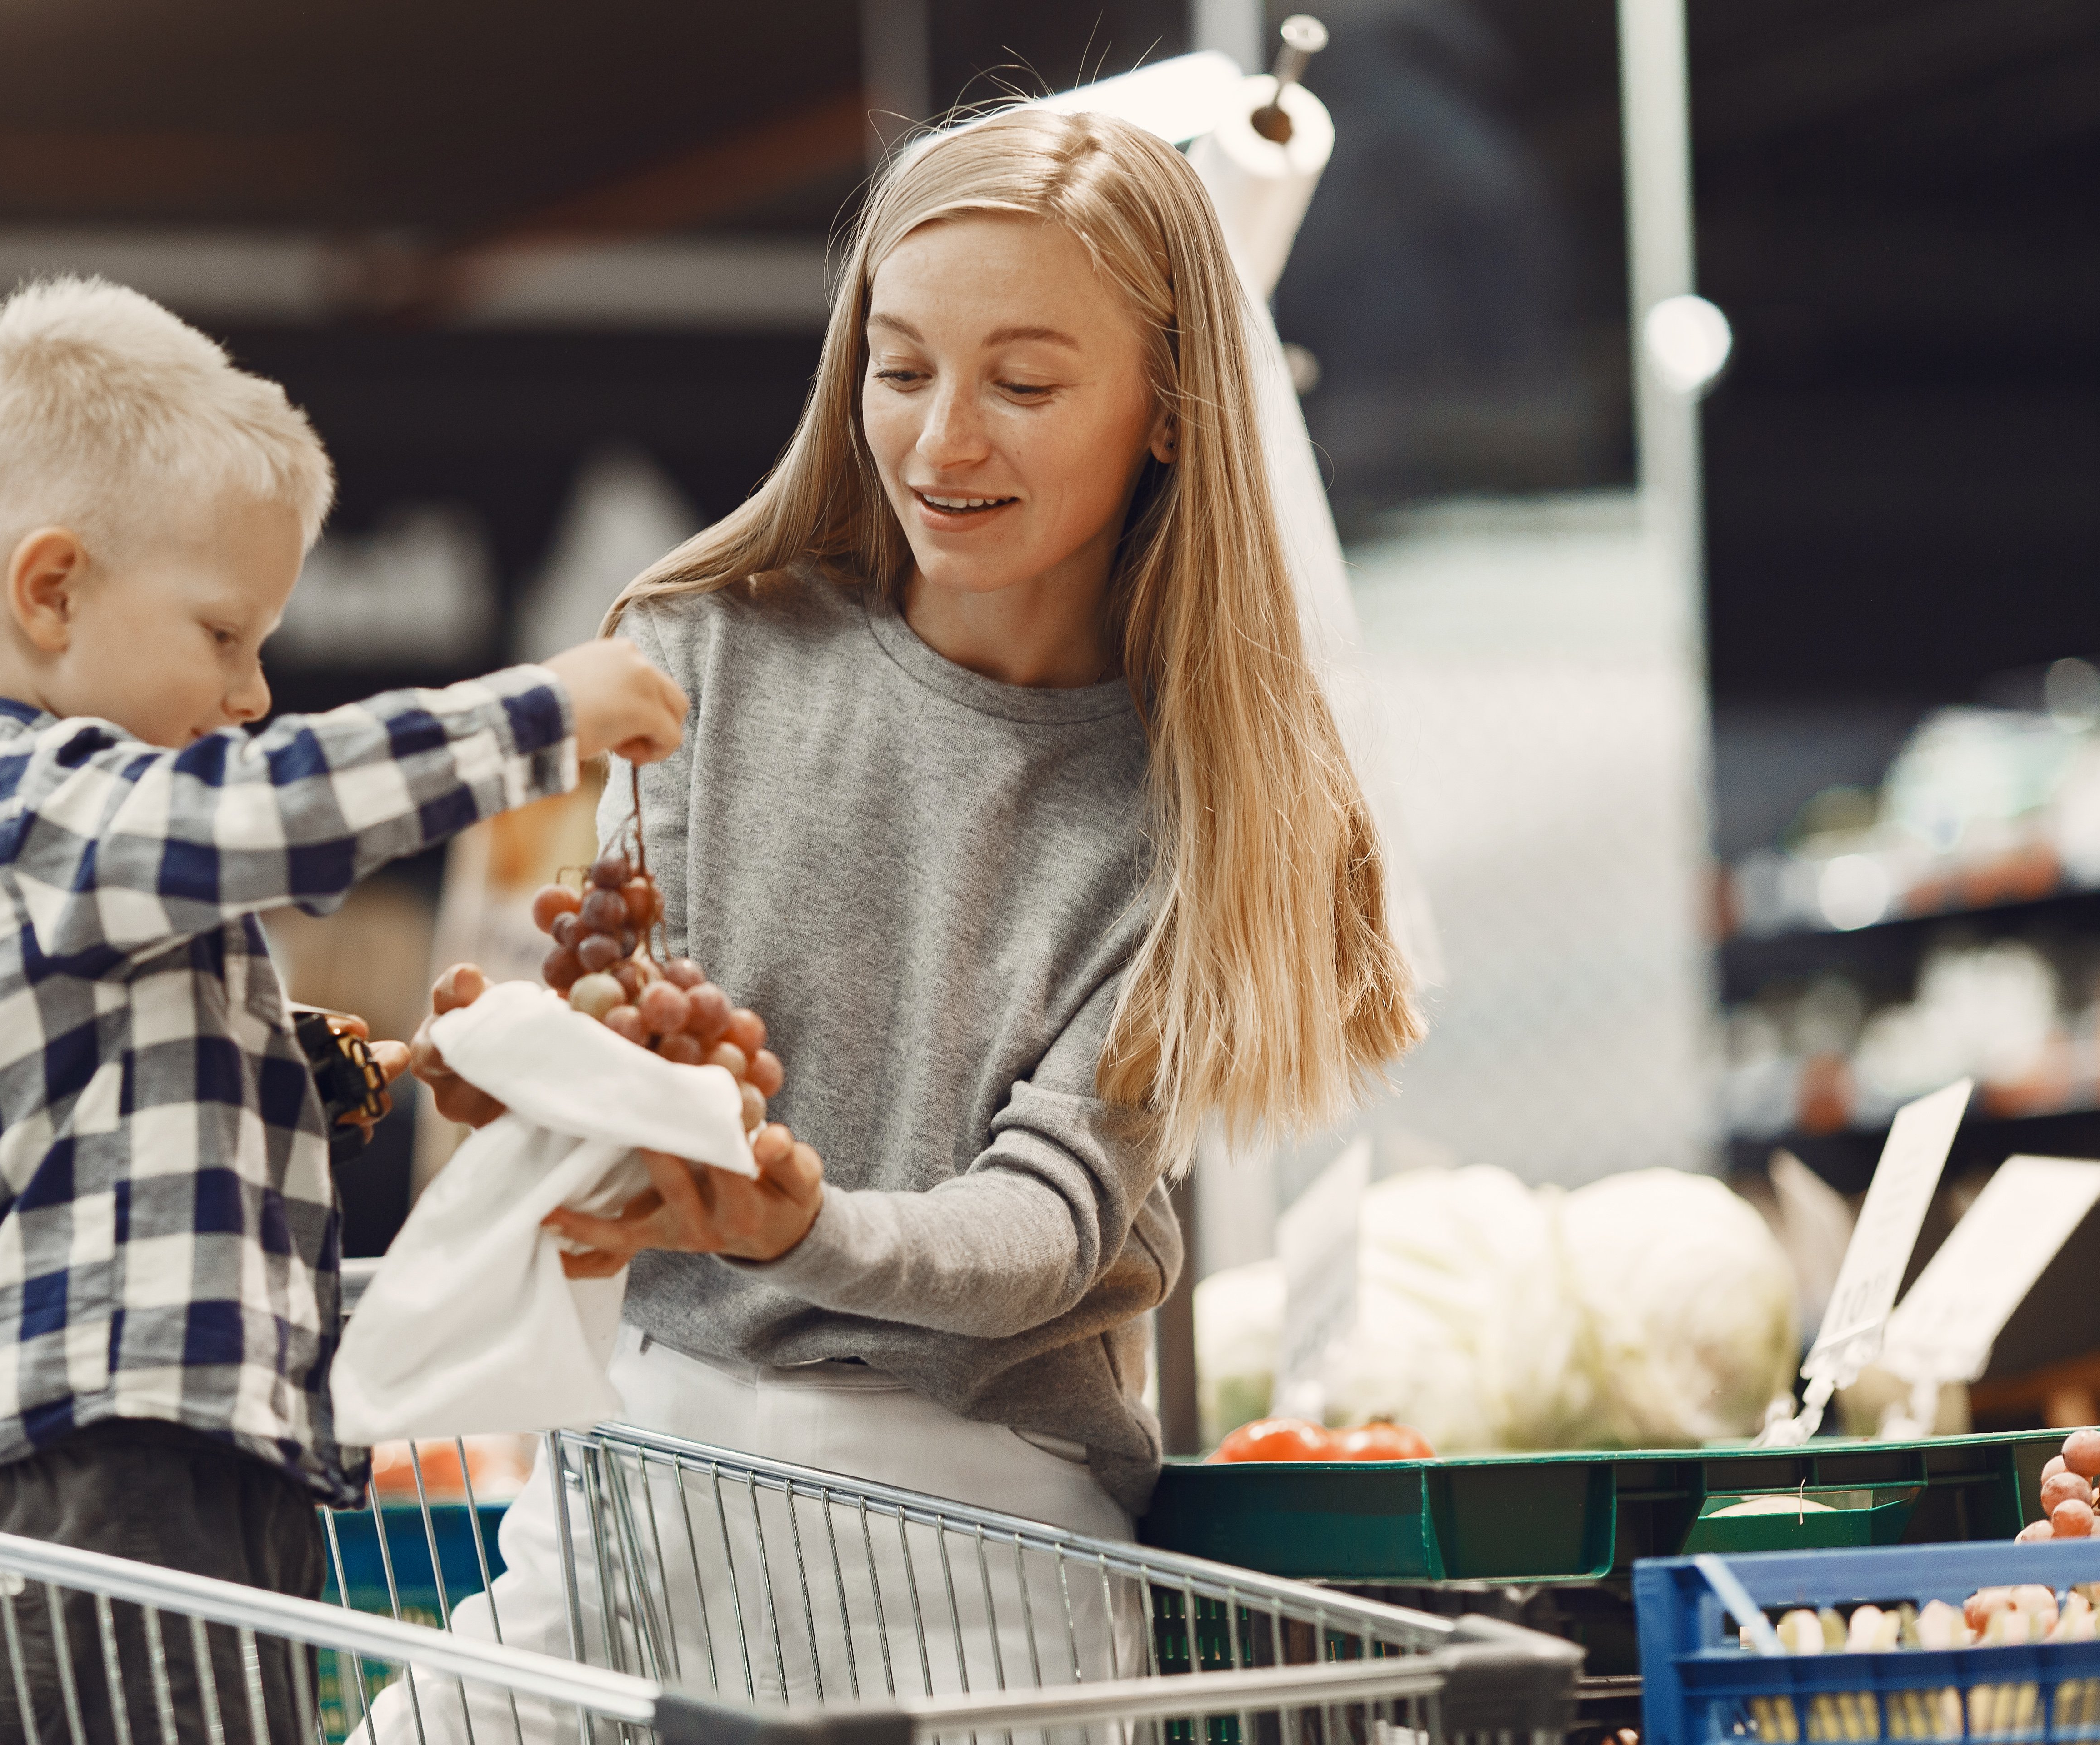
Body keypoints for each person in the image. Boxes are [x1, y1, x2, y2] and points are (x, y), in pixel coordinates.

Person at [390, 104, 1422, 1735]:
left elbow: (1051, 1224)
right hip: (640, 1496)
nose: (943, 441)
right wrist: (539, 1089)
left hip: (976, 1564)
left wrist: (805, 1232)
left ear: (1170, 410)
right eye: (900, 368)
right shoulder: (700, 656)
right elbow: (642, 1049)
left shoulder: (1205, 802)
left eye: (1023, 384)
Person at [0, 275, 685, 1743]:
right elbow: (281, 811)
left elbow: (96, 1098)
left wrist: (361, 1067)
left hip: (197, 1465)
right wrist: (541, 713)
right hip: (103, 1487)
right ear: (51, 592)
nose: (252, 693)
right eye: (226, 634)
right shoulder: (28, 809)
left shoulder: (76, 863)